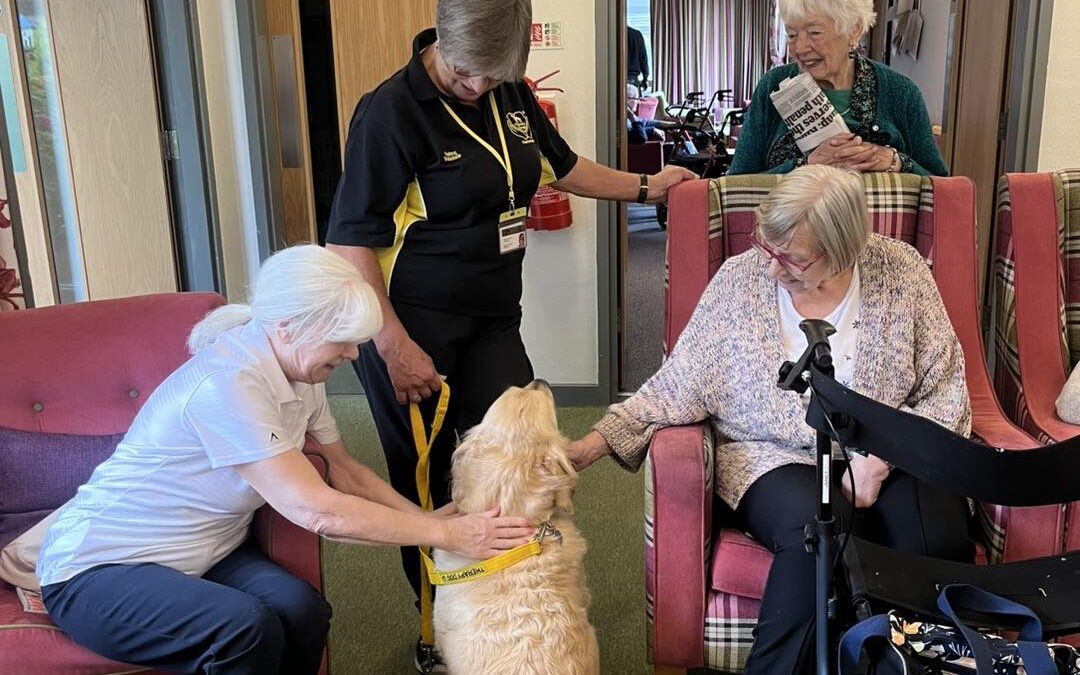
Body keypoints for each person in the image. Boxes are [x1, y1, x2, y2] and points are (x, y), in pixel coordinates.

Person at [324, 0, 695, 632]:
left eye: (493, 75)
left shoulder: (509, 95)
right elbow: (347, 242)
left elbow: (565, 166)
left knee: (516, 463)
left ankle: (510, 607)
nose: (479, 86)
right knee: (431, 483)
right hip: (413, 328)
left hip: (494, 317)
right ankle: (437, 627)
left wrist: (647, 186)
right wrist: (392, 346)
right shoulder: (390, 113)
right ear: (441, 39)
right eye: (468, 73)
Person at [35, 245, 535, 675]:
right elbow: (320, 510)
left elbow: (346, 473)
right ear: (290, 328)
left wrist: (423, 519)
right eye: (342, 340)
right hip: (98, 571)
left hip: (203, 554)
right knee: (242, 631)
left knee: (303, 611)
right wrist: (447, 535)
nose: (354, 356)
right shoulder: (228, 385)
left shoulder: (300, 373)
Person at [569, 166, 973, 674]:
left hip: (890, 447)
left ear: (846, 248)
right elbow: (680, 382)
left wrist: (883, 457)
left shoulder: (903, 272)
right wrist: (592, 444)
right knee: (819, 532)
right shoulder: (740, 280)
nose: (775, 267)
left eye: (795, 258)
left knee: (934, 535)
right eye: (769, 246)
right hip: (771, 455)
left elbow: (946, 388)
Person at [729, 0, 947, 176]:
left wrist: (895, 161)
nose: (800, 48)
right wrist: (806, 165)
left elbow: (941, 187)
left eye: (814, 32)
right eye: (792, 34)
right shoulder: (772, 86)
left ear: (854, 30)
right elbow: (737, 186)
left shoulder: (901, 92)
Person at [627, 25, 649, 91]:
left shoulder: (612, 34)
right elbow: (643, 58)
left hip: (615, 78)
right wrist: (645, 78)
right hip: (633, 79)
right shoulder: (637, 34)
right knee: (635, 100)